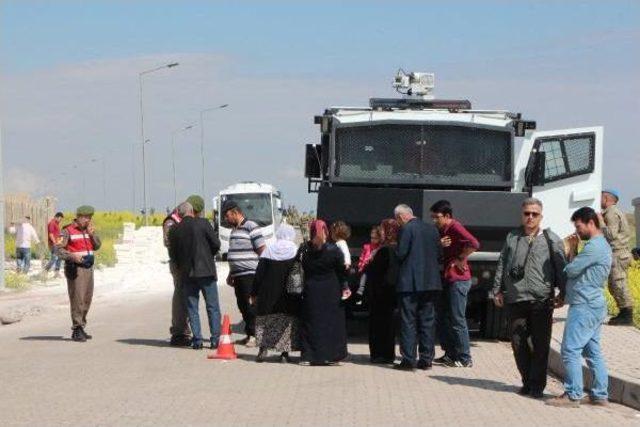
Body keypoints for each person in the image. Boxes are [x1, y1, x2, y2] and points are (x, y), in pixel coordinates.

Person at [493, 198, 567, 398]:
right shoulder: (512, 237)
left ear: (541, 216)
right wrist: (497, 290)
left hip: (541, 300)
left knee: (540, 345)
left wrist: (563, 293)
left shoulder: (551, 239)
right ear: (522, 215)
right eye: (527, 213)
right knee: (518, 343)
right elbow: (502, 263)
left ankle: (537, 386)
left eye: (535, 214)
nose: (530, 217)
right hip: (515, 298)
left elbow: (561, 268)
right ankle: (527, 381)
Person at [547, 207, 611, 408]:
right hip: (592, 304)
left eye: (579, 226)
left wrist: (571, 250)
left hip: (585, 305)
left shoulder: (594, 247)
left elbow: (571, 270)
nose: (577, 231)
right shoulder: (600, 245)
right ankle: (600, 395)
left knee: (570, 349)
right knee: (592, 352)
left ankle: (573, 394)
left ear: (590, 222)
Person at [430, 200, 480, 368]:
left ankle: (465, 358)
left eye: (437, 217)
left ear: (447, 216)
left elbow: (474, 243)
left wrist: (461, 258)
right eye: (433, 217)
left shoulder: (455, 227)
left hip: (459, 280)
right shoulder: (442, 230)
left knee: (457, 319)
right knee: (444, 317)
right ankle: (450, 354)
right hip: (448, 278)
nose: (434, 220)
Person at [393, 204, 442, 371]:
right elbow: (439, 255)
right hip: (430, 283)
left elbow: (400, 254)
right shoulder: (432, 229)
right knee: (428, 321)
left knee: (408, 321)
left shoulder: (406, 230)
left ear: (401, 217)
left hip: (410, 284)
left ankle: (408, 359)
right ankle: (426, 359)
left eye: (397, 220)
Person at [168, 200, 222, 350]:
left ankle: (197, 340)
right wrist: (207, 255)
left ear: (179, 214)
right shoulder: (203, 223)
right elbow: (216, 244)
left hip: (187, 275)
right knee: (212, 306)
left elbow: (173, 256)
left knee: (192, 308)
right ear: (192, 211)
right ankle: (215, 339)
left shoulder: (174, 230)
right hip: (206, 271)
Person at [299, 219, 351, 365]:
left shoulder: (305, 249)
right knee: (331, 323)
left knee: (311, 322)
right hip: (331, 291)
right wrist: (345, 286)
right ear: (326, 231)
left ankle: (309, 356)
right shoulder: (333, 250)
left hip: (311, 290)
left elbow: (300, 266)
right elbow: (342, 270)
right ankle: (331, 355)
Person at [252, 224, 301, 363]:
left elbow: (259, 274)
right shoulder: (295, 251)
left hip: (267, 295)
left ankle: (262, 350)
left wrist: (254, 292)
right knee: (286, 323)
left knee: (264, 323)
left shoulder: (268, 251)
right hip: (287, 296)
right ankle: (284, 354)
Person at [223, 200, 266, 347]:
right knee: (242, 305)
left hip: (250, 274)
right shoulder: (235, 230)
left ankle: (255, 336)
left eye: (227, 215)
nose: (226, 219)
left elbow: (262, 250)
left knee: (250, 306)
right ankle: (249, 334)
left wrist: (262, 273)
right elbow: (233, 252)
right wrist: (231, 273)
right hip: (237, 275)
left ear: (235, 212)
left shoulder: (251, 227)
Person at [55, 206, 101, 342]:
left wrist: (93, 235)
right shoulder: (67, 230)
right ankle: (76, 329)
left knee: (87, 298)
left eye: (90, 218)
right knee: (78, 298)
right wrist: (72, 256)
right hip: (76, 268)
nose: (88, 220)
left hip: (88, 268)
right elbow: (57, 249)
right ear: (79, 216)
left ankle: (82, 325)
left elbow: (97, 246)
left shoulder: (88, 230)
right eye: (86, 217)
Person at [364, 219, 399, 364]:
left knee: (379, 325)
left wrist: (370, 262)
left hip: (381, 294)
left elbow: (377, 271)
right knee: (389, 325)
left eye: (383, 230)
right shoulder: (396, 248)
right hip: (389, 294)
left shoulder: (386, 250)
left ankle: (379, 354)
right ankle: (387, 354)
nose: (381, 232)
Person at [599, 189, 634, 325]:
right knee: (614, 284)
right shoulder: (614, 211)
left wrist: (600, 221)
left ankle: (627, 315)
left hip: (618, 253)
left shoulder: (611, 213)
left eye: (601, 197)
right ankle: (624, 313)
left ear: (607, 198)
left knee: (618, 283)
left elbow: (611, 234)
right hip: (619, 253)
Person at [162, 205, 192, 347]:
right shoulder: (171, 221)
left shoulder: (180, 221)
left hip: (186, 264)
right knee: (180, 298)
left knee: (186, 297)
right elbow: (168, 242)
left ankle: (185, 330)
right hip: (178, 264)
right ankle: (179, 332)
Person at [355, 226, 382, 299]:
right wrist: (361, 265)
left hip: (376, 270)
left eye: (375, 238)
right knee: (365, 273)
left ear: (380, 238)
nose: (372, 240)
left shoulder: (380, 248)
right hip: (366, 267)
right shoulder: (367, 247)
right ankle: (361, 289)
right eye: (371, 238)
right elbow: (362, 258)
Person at [43, 212, 64, 278]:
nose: (60, 220)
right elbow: (51, 234)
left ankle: (56, 272)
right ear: (57, 217)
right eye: (60, 218)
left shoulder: (57, 224)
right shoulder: (52, 223)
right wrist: (55, 242)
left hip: (57, 243)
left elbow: (58, 233)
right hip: (53, 244)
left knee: (59, 257)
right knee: (54, 258)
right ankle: (45, 270)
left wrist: (61, 239)